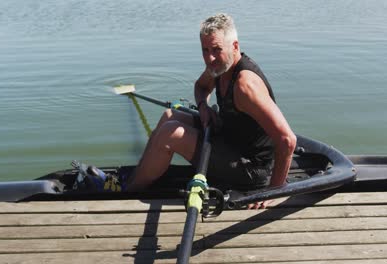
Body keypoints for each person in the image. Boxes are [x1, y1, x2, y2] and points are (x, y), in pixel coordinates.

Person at [125, 13, 296, 209]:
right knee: (169, 116)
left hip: (251, 170)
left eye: (216, 49)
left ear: (235, 47)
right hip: (230, 140)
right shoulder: (220, 67)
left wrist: (274, 191)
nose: (210, 58)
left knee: (170, 134)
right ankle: (141, 173)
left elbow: (287, 141)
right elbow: (201, 87)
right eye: (205, 50)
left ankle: (130, 190)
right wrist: (203, 107)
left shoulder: (245, 86)